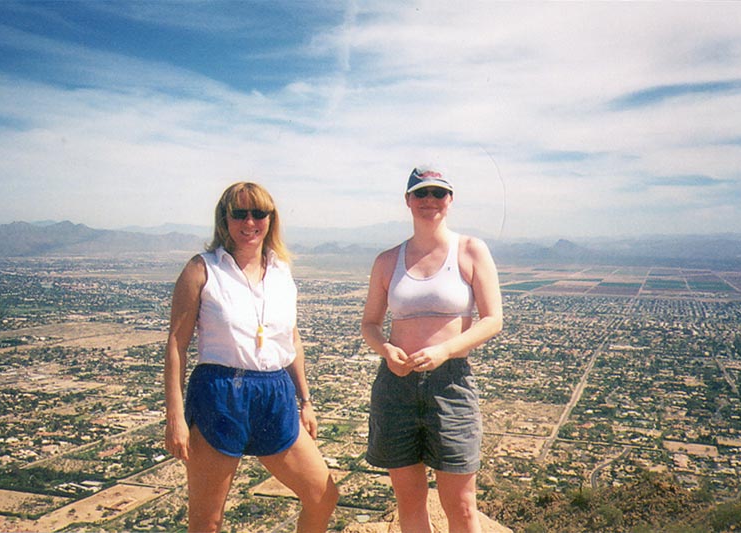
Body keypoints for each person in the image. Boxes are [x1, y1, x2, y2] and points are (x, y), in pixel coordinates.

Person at [164, 182, 338, 533]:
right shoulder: (203, 269)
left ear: (271, 220)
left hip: (275, 392)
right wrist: (175, 416)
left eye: (259, 213)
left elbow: (291, 338)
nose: (249, 222)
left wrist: (305, 400)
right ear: (223, 220)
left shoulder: (281, 272)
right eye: (239, 214)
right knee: (206, 522)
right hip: (220, 393)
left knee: (323, 494)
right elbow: (176, 345)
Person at [361, 167, 503, 533]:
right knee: (409, 502)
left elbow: (492, 319)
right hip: (396, 384)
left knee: (461, 504)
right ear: (407, 200)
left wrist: (445, 351)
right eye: (421, 194)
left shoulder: (471, 250)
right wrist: (386, 350)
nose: (430, 201)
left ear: (450, 200)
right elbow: (370, 324)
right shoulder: (387, 260)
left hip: (450, 382)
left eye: (438, 194)